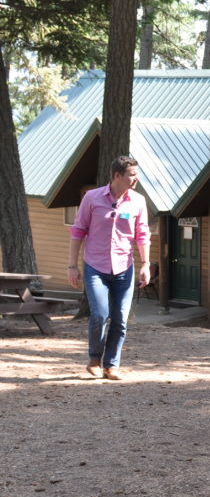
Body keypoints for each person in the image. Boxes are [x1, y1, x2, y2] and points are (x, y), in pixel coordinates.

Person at [67, 156, 151, 380]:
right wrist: (72, 265)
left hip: (125, 267)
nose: (136, 179)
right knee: (100, 314)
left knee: (120, 318)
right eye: (132, 175)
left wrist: (146, 265)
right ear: (117, 176)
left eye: (136, 174)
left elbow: (143, 235)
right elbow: (77, 231)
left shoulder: (138, 201)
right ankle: (94, 359)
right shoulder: (92, 198)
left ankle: (112, 365)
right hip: (95, 266)